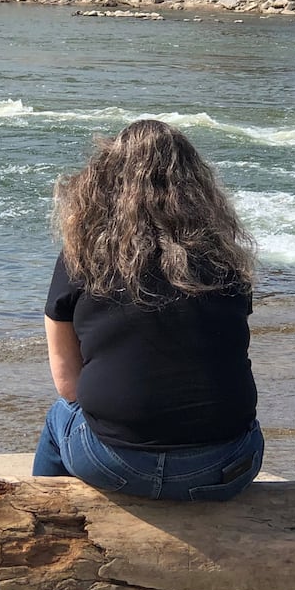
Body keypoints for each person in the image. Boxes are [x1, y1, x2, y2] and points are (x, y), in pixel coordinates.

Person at [33, 119, 263, 501]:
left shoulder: (83, 257)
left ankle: (41, 516)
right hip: (225, 465)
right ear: (198, 188)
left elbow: (69, 386)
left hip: (111, 463)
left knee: (60, 417)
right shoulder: (225, 260)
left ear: (104, 182)